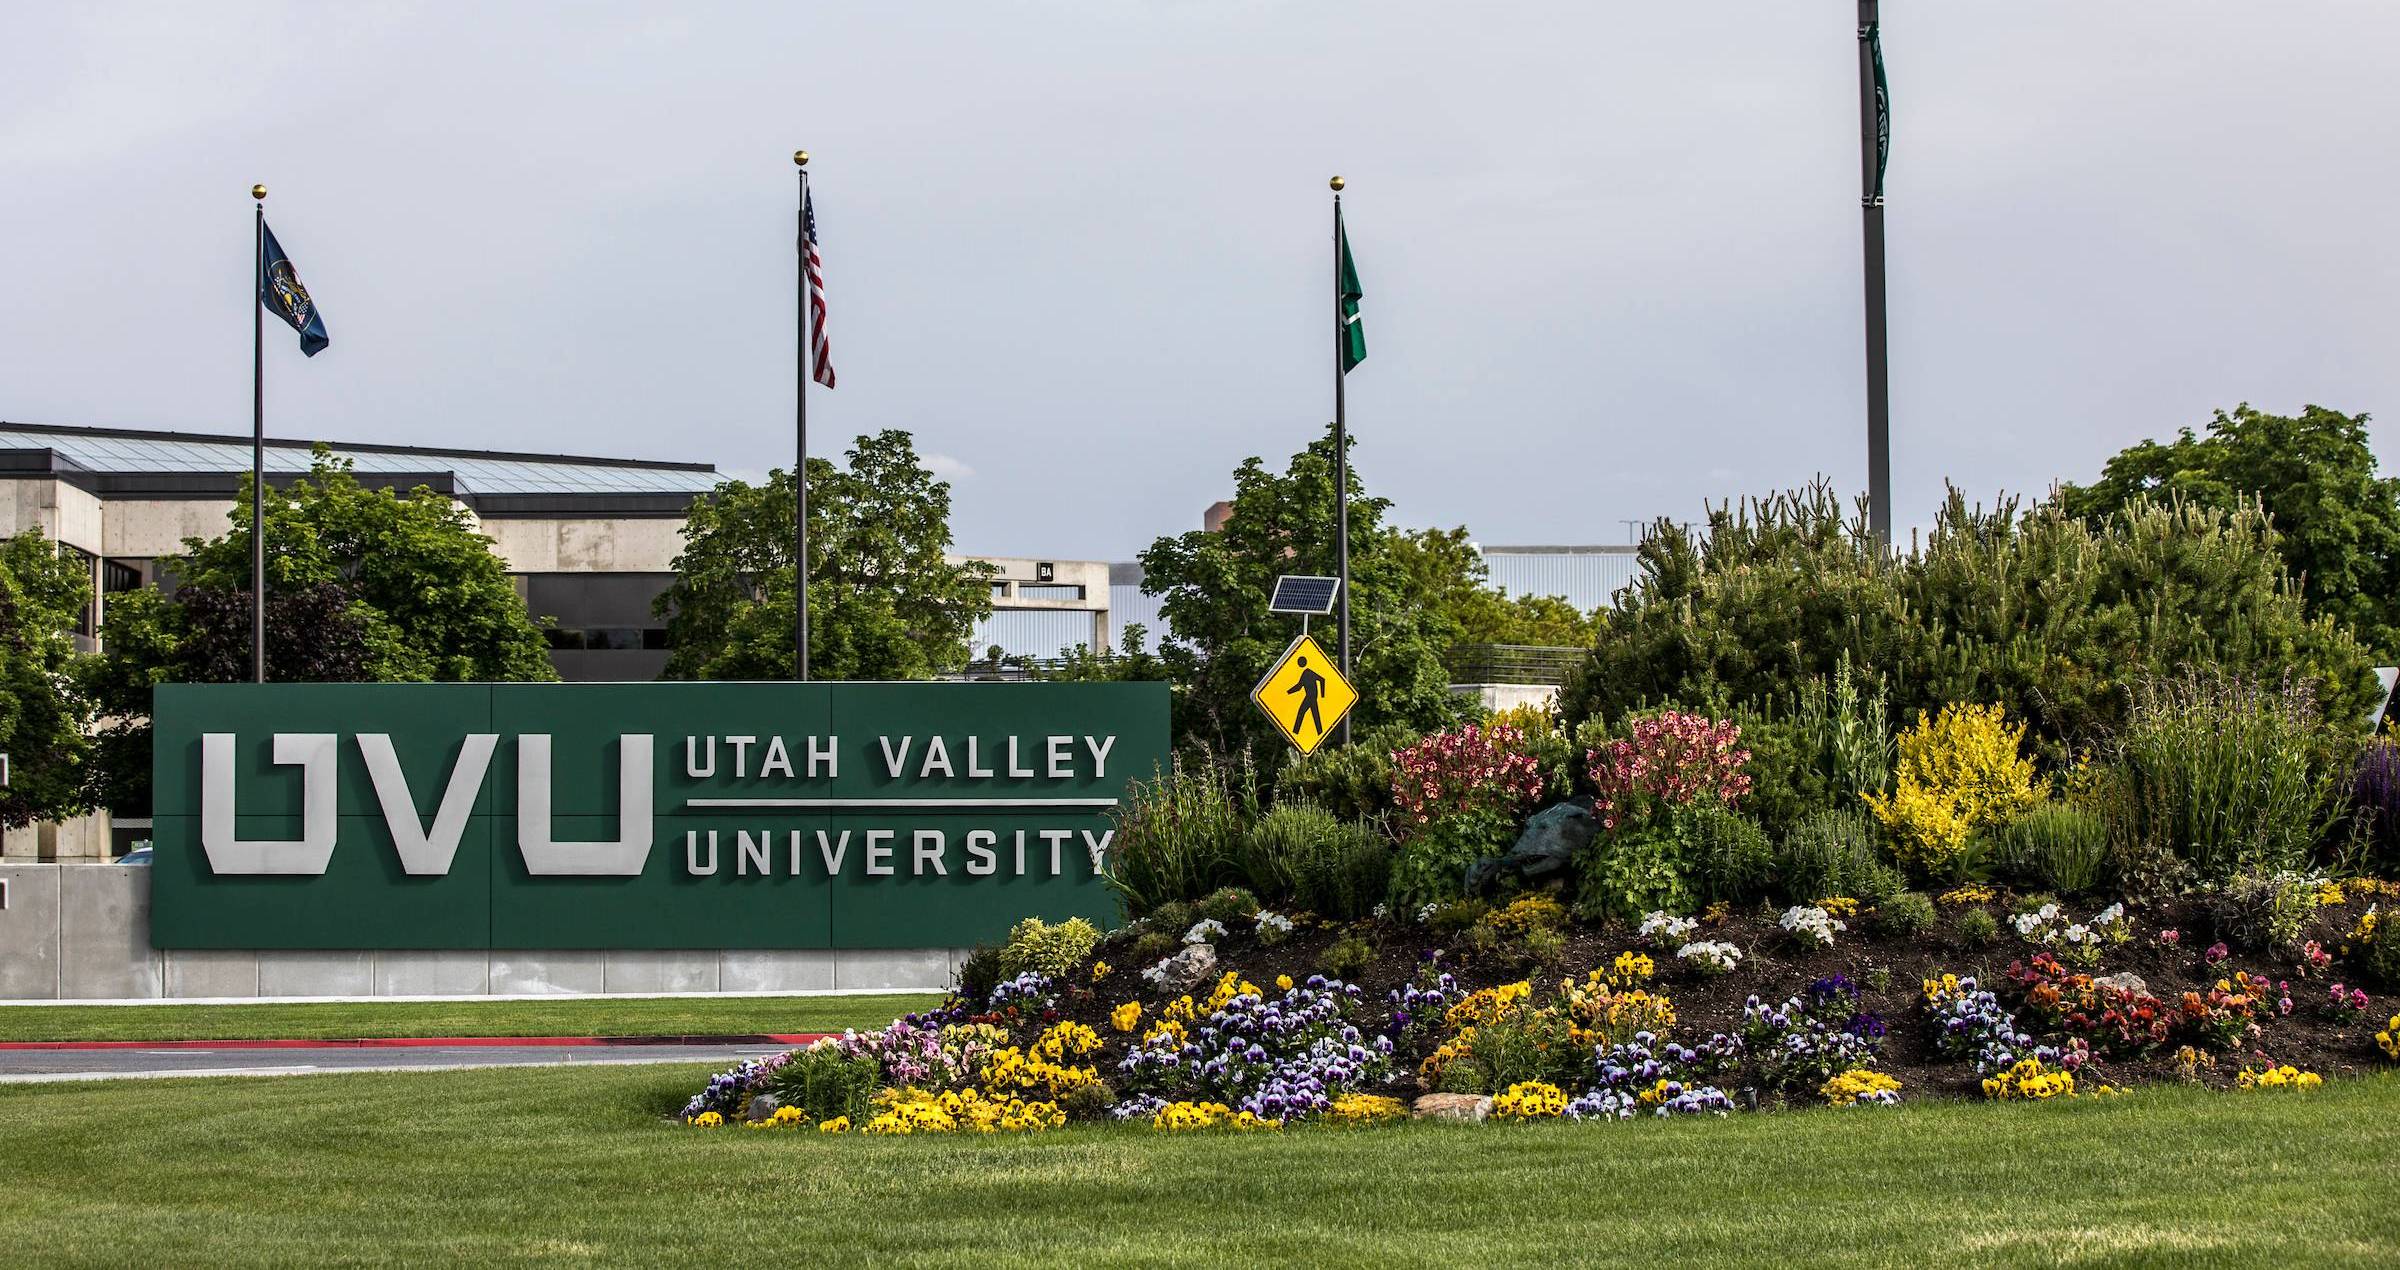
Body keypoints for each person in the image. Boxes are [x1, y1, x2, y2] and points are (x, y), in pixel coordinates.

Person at [1287, 655, 1326, 738]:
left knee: (1303, 713)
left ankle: (1295, 733)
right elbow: (1299, 687)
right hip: (1310, 697)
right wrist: (1288, 692)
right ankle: (1319, 732)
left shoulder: (1308, 672)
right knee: (1315, 715)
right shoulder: (1305, 673)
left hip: (1310, 697)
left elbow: (1322, 680)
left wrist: (1322, 695)